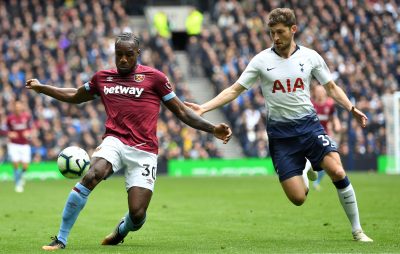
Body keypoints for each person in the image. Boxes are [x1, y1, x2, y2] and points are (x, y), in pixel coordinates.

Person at [25, 32, 232, 250]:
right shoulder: (103, 78)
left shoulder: (155, 78)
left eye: (129, 55)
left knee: (138, 213)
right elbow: (76, 95)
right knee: (92, 175)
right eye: (119, 54)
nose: (123, 59)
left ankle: (122, 230)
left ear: (138, 54)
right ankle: (61, 238)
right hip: (114, 140)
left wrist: (212, 128)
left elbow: (181, 111)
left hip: (144, 150)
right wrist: (42, 88)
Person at [185, 8, 373, 242]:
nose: (276, 37)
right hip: (280, 135)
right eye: (272, 32)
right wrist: (204, 108)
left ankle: (357, 230)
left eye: (280, 32)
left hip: (309, 126)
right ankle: (305, 167)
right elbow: (234, 89)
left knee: (337, 170)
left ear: (293, 30)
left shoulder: (311, 57)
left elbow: (331, 88)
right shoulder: (261, 61)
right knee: (298, 198)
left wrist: (351, 109)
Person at [306, 85, 342, 191]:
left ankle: (316, 181)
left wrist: (337, 124)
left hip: (324, 136)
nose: (320, 93)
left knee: (330, 158)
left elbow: (333, 117)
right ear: (314, 92)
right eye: (318, 91)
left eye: (322, 91)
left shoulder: (330, 104)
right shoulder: (310, 104)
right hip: (310, 135)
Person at [6, 100, 32, 193]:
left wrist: (28, 133)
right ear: (14, 107)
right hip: (14, 144)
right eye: (16, 106)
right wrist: (9, 133)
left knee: (25, 166)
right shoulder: (10, 118)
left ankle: (21, 178)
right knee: (16, 164)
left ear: (21, 107)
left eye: (19, 106)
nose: (17, 108)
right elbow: (6, 130)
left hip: (25, 144)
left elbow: (30, 128)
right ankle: (18, 184)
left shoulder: (27, 117)